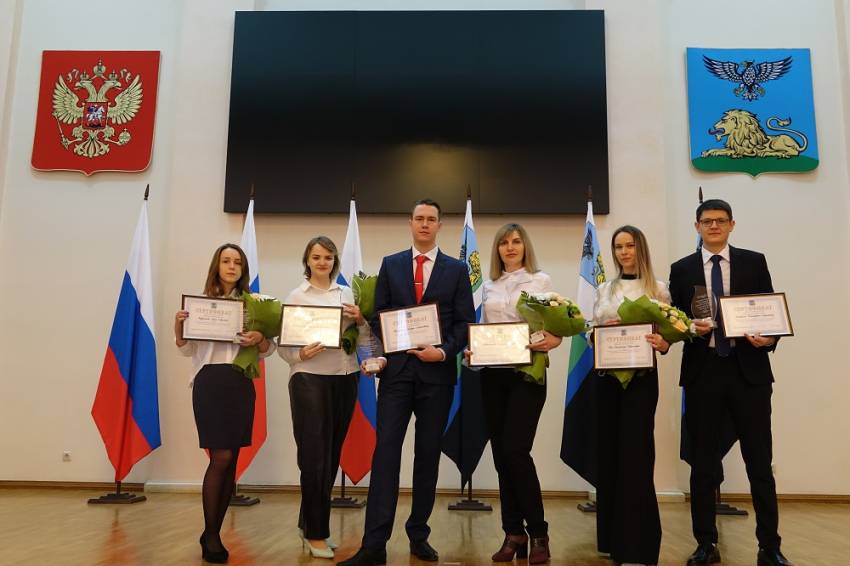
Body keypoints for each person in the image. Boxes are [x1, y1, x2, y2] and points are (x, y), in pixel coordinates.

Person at [339, 199, 475, 566]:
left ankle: (418, 535)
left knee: (427, 456)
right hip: (396, 375)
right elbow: (379, 316)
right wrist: (382, 355)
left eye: (431, 219)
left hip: (437, 377)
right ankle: (374, 544)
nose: (425, 224)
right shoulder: (392, 264)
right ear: (410, 223)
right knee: (385, 455)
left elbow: (465, 322)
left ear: (440, 225)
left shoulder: (457, 269)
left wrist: (443, 352)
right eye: (419, 218)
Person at [669, 199, 792, 566]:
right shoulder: (682, 268)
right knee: (703, 465)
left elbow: (769, 311)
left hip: (748, 373)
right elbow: (674, 319)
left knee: (760, 463)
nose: (714, 226)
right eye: (707, 221)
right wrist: (688, 328)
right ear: (697, 227)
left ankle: (769, 546)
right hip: (703, 372)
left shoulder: (754, 261)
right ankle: (705, 543)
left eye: (720, 221)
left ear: (732, 225)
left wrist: (770, 337)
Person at [174, 243, 275, 564]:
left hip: (240, 383)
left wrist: (260, 339)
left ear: (243, 269)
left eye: (237, 262)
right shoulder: (199, 304)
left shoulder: (254, 305)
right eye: (226, 261)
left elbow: (268, 350)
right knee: (221, 456)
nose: (231, 266)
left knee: (232, 461)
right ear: (216, 266)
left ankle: (212, 533)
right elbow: (187, 350)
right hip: (210, 382)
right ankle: (211, 534)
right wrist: (179, 329)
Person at [472, 223, 562, 564]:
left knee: (516, 451)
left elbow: (556, 328)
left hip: (527, 374)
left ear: (525, 247)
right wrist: (474, 349)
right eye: (504, 243)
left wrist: (550, 339)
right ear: (497, 249)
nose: (510, 247)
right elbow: (484, 330)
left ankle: (539, 532)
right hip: (492, 376)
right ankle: (513, 533)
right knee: (501, 456)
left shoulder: (541, 281)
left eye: (516, 242)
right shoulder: (488, 286)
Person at [278, 236, 362, 560]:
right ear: (307, 261)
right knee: (313, 458)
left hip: (345, 377)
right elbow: (284, 345)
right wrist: (299, 353)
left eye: (328, 257)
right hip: (308, 378)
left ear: (334, 261)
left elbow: (361, 336)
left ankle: (310, 525)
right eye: (316, 257)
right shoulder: (296, 296)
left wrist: (360, 320)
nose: (322, 262)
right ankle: (316, 534)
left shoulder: (347, 294)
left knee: (330, 458)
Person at [593, 225, 670, 566]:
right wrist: (598, 335)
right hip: (607, 381)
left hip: (641, 380)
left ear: (641, 248)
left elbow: (668, 336)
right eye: (618, 247)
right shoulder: (604, 289)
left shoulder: (659, 289)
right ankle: (613, 542)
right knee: (611, 455)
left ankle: (639, 546)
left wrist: (663, 343)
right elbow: (591, 334)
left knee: (637, 458)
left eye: (630, 245)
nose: (624, 252)